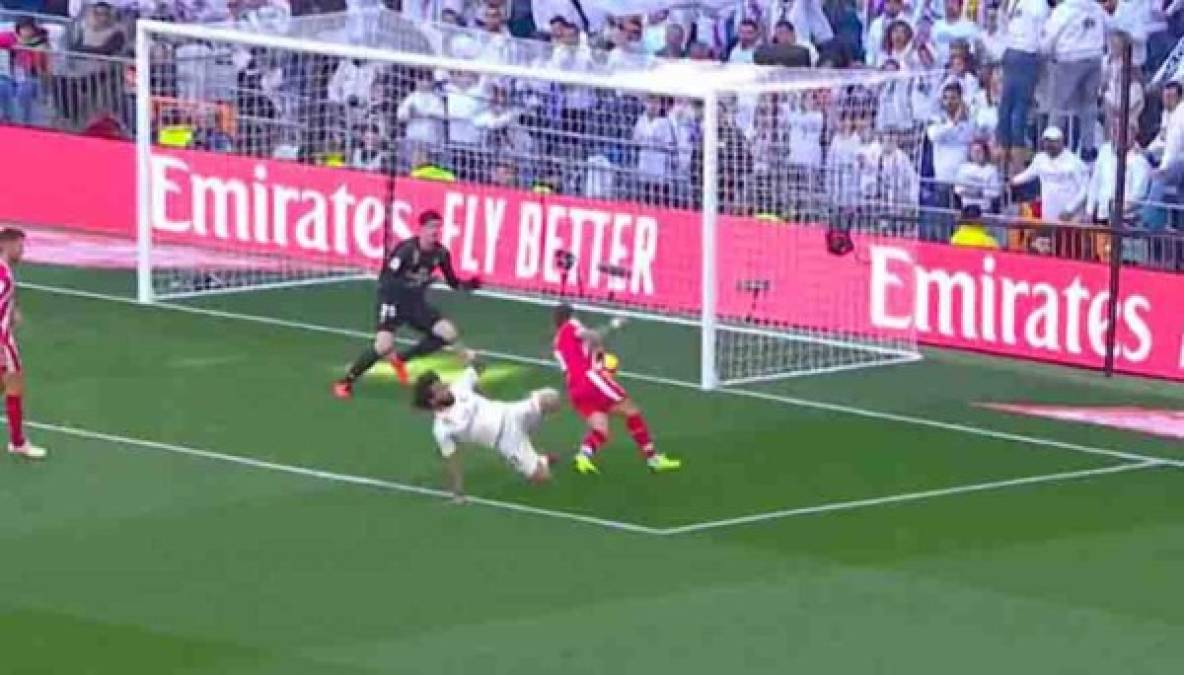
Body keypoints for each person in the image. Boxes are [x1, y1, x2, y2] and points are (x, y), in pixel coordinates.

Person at [333, 210, 481, 398]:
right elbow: (386, 278)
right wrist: (407, 288)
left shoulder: (441, 254)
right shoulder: (406, 250)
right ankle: (345, 381)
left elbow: (452, 282)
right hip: (392, 300)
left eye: (438, 227)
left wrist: (468, 285)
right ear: (421, 229)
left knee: (448, 333)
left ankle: (402, 358)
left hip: (414, 303)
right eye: (431, 227)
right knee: (384, 346)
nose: (435, 232)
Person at [413, 350, 559, 502]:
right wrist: (458, 491)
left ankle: (533, 408)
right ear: (432, 401)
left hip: (510, 413)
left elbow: (479, 368)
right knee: (542, 478)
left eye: (441, 384)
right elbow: (452, 458)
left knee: (552, 399)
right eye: (439, 390)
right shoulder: (442, 428)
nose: (445, 388)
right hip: (506, 441)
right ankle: (541, 461)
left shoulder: (459, 387)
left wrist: (473, 358)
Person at [551, 304, 680, 475]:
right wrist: (613, 325)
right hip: (590, 379)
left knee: (601, 429)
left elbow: (574, 356)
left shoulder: (557, 342)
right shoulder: (572, 326)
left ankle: (583, 456)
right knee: (631, 411)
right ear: (571, 315)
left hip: (574, 388)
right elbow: (592, 336)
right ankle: (653, 459)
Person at [0, 228, 46, 460]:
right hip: (2, 342)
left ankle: (18, 441)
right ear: (7, 245)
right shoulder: (2, 274)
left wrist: (13, 309)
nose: (22, 251)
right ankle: (18, 442)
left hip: (5, 338)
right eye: (19, 245)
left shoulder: (5, 272)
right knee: (14, 386)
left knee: (10, 386)